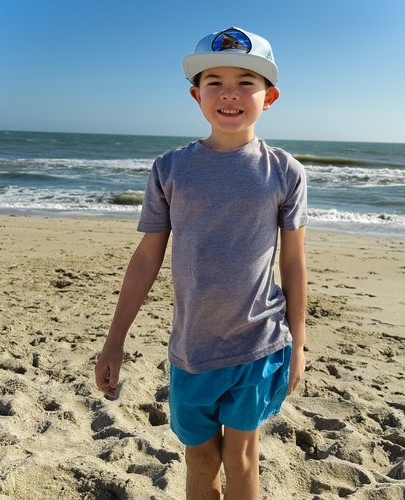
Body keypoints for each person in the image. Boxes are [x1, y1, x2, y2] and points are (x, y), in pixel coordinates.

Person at [95, 26, 307, 499]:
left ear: (269, 97)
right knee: (200, 457)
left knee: (242, 456)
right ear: (196, 95)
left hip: (260, 343)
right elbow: (146, 257)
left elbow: (294, 263)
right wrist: (115, 340)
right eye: (215, 82)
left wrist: (299, 344)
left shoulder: (283, 171)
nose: (229, 93)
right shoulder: (170, 168)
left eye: (246, 82)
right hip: (192, 349)